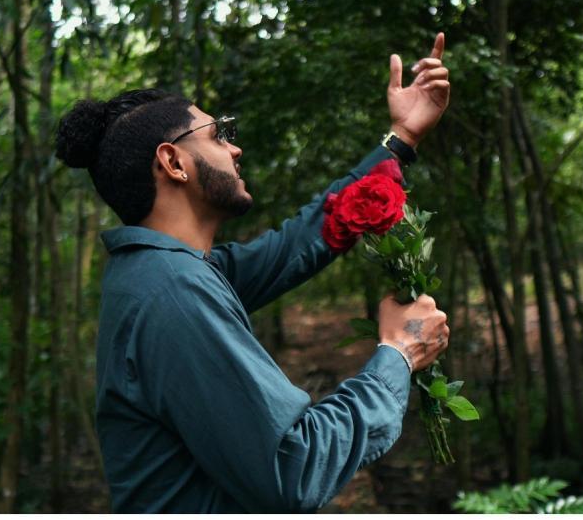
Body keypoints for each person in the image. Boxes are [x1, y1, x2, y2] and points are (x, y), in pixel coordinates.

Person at [55, 33, 452, 513]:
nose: (235, 149)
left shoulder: (168, 271)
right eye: (218, 134)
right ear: (173, 162)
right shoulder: (173, 294)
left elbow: (295, 244)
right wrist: (399, 355)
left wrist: (401, 138)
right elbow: (293, 469)